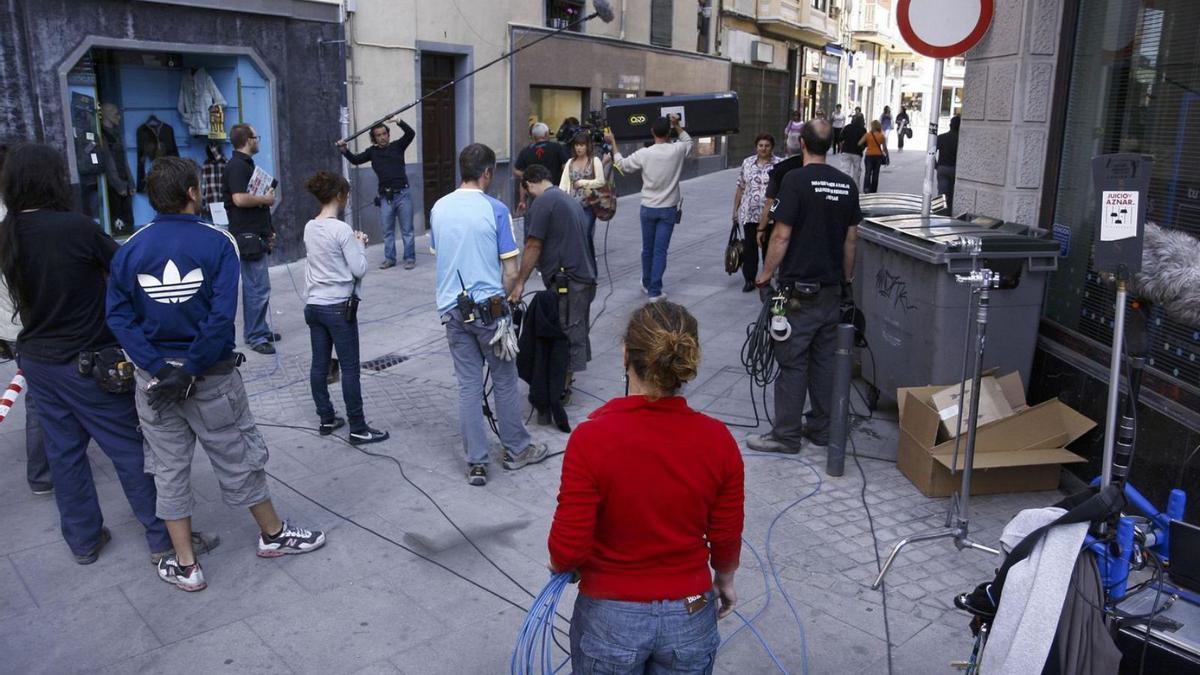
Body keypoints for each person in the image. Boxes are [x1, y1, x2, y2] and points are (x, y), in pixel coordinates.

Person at [106, 156, 324, 592]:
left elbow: (119, 317)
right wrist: (188, 369)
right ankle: (273, 534)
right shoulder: (218, 241)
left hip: (154, 384)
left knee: (167, 469)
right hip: (210, 377)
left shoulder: (129, 247)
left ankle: (186, 565)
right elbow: (222, 317)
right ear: (192, 192)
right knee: (237, 455)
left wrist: (157, 368)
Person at [0, 144, 212, 567]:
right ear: (52, 180)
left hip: (37, 359)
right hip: (86, 360)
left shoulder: (7, 231)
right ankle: (162, 538)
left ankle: (83, 539)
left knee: (64, 454)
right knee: (131, 450)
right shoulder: (74, 227)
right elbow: (128, 269)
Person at [548, 301, 744, 674]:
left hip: (610, 616)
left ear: (625, 355)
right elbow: (726, 533)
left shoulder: (591, 438)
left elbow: (568, 544)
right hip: (690, 610)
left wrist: (561, 564)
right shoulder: (718, 440)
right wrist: (725, 578)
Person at [430, 143, 548, 486]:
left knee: (468, 386)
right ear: (486, 173)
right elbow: (511, 270)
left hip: (452, 310)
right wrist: (512, 294)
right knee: (504, 381)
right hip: (491, 313)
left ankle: (477, 463)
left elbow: (442, 254)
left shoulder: (439, 208)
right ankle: (516, 449)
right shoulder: (495, 210)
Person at [748, 120, 861, 455]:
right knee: (826, 361)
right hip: (830, 290)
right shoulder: (847, 184)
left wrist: (765, 275)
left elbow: (781, 235)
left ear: (802, 143)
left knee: (793, 361)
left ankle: (786, 435)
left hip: (798, 292)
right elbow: (851, 239)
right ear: (832, 145)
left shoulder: (795, 180)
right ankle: (822, 429)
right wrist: (847, 279)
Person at [301, 171, 390, 444]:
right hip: (338, 307)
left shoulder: (309, 226)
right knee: (350, 369)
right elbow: (358, 269)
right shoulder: (340, 229)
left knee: (320, 364)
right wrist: (360, 244)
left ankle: (326, 418)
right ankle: (358, 427)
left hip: (314, 305)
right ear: (340, 196)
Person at [511, 164, 598, 416]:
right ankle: (564, 383)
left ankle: (561, 390)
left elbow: (533, 245)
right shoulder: (565, 198)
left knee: (567, 332)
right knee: (574, 328)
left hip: (571, 280)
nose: (528, 196)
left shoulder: (544, 202)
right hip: (583, 277)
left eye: (526, 191)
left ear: (529, 184)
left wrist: (519, 283)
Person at [0, 144, 51, 496]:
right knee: (40, 400)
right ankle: (42, 473)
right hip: (28, 322)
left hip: (12, 322)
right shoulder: (12, 216)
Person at [605, 115, 693, 301]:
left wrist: (613, 142)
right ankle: (655, 290)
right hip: (668, 208)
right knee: (660, 250)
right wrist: (677, 125)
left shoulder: (645, 153)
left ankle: (646, 282)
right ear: (668, 133)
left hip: (648, 207)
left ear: (652, 132)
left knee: (648, 249)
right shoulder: (677, 149)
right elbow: (687, 140)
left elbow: (622, 165)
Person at [223, 123, 280, 355]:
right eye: (256, 136)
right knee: (256, 287)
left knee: (260, 285)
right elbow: (238, 199)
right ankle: (255, 336)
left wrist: (269, 229)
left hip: (256, 232)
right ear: (248, 139)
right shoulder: (236, 166)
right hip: (246, 234)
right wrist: (265, 200)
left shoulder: (244, 164)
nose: (258, 140)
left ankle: (260, 329)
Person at [336, 116, 417, 270]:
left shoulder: (398, 146)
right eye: (378, 135)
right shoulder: (372, 152)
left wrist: (398, 121)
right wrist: (344, 150)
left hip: (403, 194)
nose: (382, 137)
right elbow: (356, 160)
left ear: (388, 134)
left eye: (384, 134)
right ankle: (390, 259)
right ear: (374, 138)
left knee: (407, 230)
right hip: (386, 197)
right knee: (387, 231)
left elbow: (410, 134)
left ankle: (410, 258)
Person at [732, 134, 780, 293]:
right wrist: (735, 210)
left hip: (770, 216)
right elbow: (740, 187)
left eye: (767, 145)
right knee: (750, 248)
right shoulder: (747, 163)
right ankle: (749, 279)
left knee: (768, 247)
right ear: (756, 147)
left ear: (772, 147)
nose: (763, 148)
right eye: (761, 145)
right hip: (750, 214)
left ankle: (766, 278)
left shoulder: (779, 164)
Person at [559, 131, 608, 267]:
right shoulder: (570, 162)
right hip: (572, 205)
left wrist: (583, 182)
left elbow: (601, 181)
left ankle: (591, 268)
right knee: (573, 238)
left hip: (589, 205)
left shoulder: (595, 161)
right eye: (577, 145)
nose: (579, 148)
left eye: (582, 145)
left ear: (587, 146)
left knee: (585, 235)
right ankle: (578, 267)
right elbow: (563, 184)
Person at [514, 122, 569, 215]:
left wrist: (529, 175)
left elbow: (516, 171)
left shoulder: (526, 150)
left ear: (533, 136)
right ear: (546, 134)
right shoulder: (556, 147)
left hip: (534, 193)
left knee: (533, 220)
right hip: (554, 191)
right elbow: (567, 166)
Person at [100, 102, 135, 234]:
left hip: (123, 181)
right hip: (113, 184)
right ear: (106, 115)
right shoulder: (103, 135)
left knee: (128, 220)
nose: (119, 117)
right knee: (118, 221)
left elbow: (124, 161)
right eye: (116, 114)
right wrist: (119, 185)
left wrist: (130, 183)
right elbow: (108, 163)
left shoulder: (116, 134)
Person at [937, 115, 961, 214]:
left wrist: (935, 165)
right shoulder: (960, 140)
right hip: (955, 169)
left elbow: (931, 152)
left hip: (942, 168)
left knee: (942, 193)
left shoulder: (941, 137)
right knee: (952, 193)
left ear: (950, 125)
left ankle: (939, 213)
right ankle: (949, 213)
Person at [859, 120, 888, 194]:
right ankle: (873, 189)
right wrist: (887, 155)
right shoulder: (881, 136)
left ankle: (866, 188)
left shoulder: (868, 135)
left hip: (869, 155)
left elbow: (859, 143)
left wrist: (866, 145)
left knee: (868, 173)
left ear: (873, 126)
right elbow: (884, 148)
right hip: (878, 156)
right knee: (876, 173)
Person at [840, 113, 867, 189]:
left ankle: (844, 186)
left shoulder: (847, 127)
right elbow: (865, 142)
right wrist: (862, 148)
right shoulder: (863, 130)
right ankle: (855, 188)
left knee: (845, 170)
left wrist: (842, 149)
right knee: (856, 172)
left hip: (846, 151)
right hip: (857, 152)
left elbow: (841, 139)